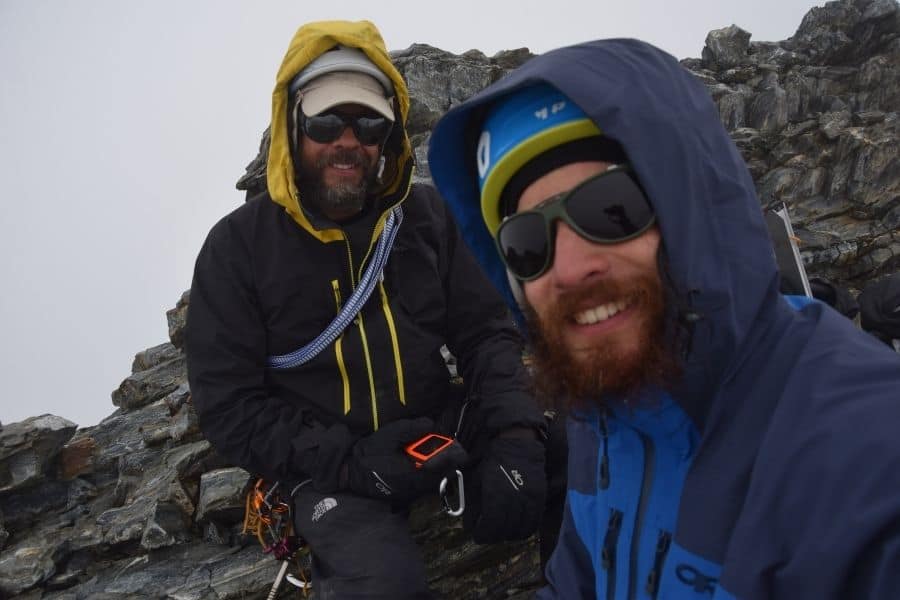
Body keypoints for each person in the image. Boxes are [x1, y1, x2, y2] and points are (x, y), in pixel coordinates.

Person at [426, 38, 900, 598]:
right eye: (526, 245)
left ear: (692, 202)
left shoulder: (868, 453)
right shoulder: (601, 416)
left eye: (610, 208)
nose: (571, 269)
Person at [184, 20, 550, 599]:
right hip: (324, 469)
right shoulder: (238, 249)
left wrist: (513, 436)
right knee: (383, 583)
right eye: (327, 121)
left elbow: (485, 333)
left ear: (391, 135)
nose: (347, 141)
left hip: (435, 423)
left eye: (369, 123)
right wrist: (352, 462)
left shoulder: (426, 217)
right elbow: (230, 407)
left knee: (576, 454)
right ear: (293, 126)